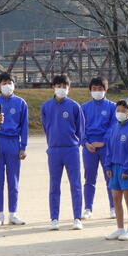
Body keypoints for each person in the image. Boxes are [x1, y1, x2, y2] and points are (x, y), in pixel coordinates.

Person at [41, 74, 85, 231]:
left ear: (69, 88)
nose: (61, 89)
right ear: (53, 87)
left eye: (64, 86)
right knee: (54, 185)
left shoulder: (74, 106)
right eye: (58, 86)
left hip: (71, 150)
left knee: (75, 184)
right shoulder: (46, 106)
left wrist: (75, 144)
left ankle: (77, 218)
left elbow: (80, 130)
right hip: (54, 150)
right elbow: (46, 127)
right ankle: (54, 218)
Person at [0, 72, 28, 226]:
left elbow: (24, 127)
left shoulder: (21, 103)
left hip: (13, 143)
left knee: (13, 180)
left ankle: (13, 213)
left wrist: (23, 147)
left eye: (10, 83)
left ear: (14, 85)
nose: (7, 86)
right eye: (4, 83)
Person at [81, 76, 116, 220]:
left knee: (110, 177)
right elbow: (80, 128)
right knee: (89, 178)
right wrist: (85, 142)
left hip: (106, 147)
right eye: (94, 89)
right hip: (89, 147)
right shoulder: (83, 108)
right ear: (90, 90)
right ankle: (88, 208)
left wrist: (104, 141)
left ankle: (113, 207)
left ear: (106, 90)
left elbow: (114, 126)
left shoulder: (112, 107)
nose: (97, 91)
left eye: (100, 88)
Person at [103, 99, 128, 241]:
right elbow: (109, 148)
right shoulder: (114, 128)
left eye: (123, 111)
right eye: (118, 110)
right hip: (114, 168)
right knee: (116, 199)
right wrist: (108, 165)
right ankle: (120, 228)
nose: (120, 113)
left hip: (126, 169)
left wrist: (127, 169)